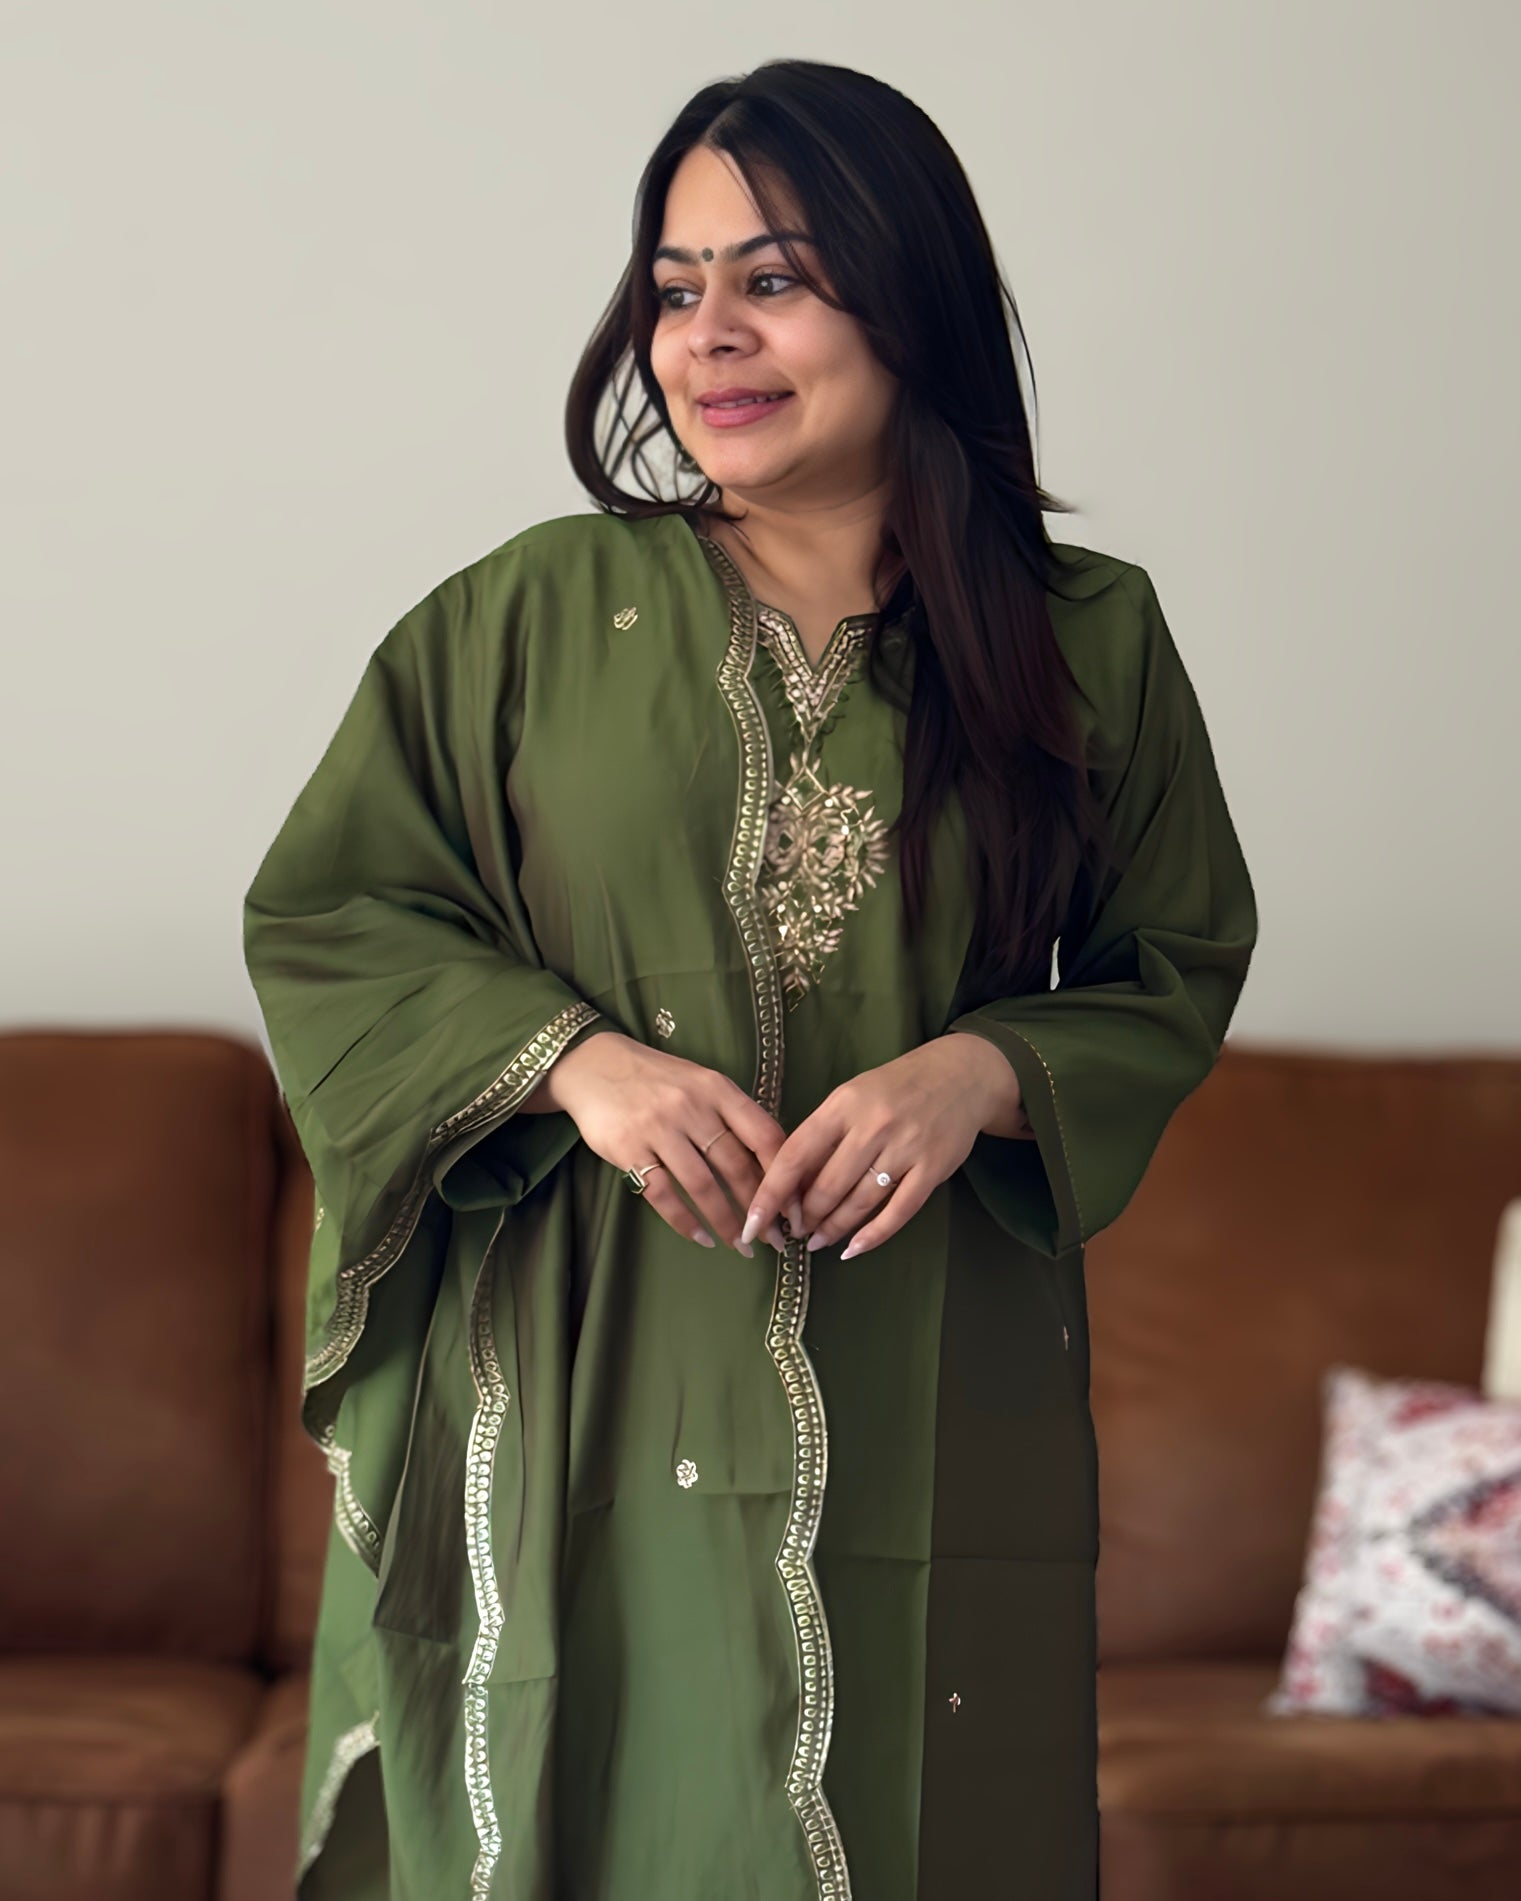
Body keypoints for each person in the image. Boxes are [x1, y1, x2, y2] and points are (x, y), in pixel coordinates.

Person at [243, 56, 1257, 1901]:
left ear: (911, 293)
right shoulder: (525, 616)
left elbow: (1168, 957)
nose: (706, 334)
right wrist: (573, 1065)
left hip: (925, 1345)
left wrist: (984, 1070)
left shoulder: (1083, 643)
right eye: (675, 283)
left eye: (773, 278)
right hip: (582, 1347)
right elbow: (336, 914)